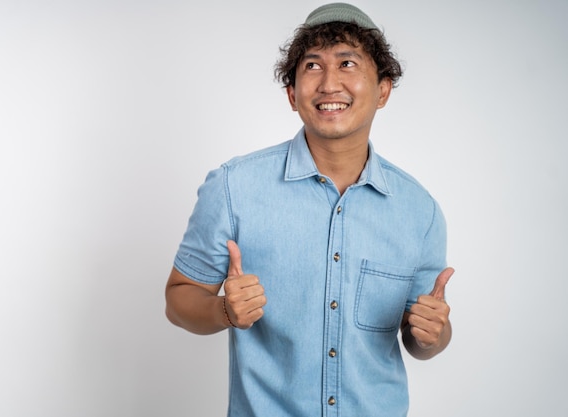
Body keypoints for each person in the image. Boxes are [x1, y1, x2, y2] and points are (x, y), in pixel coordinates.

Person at [165, 2, 454, 416]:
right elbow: (178, 298)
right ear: (292, 94)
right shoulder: (234, 187)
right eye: (313, 66)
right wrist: (223, 310)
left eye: (348, 62)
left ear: (383, 90)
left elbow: (420, 338)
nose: (329, 83)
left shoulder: (419, 211)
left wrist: (433, 337)